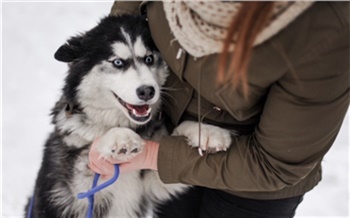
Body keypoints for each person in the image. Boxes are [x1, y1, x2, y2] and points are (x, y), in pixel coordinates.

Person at [89, 1, 350, 217]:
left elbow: (275, 164)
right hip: (168, 134)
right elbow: (127, 16)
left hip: (252, 187)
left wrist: (154, 155)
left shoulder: (327, 29)